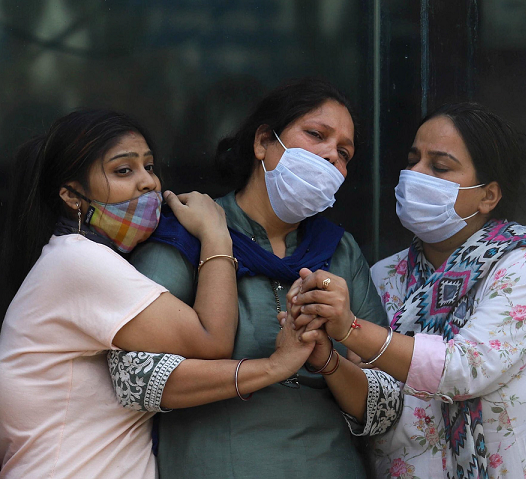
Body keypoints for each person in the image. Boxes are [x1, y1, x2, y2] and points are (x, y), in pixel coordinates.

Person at [0, 109, 315, 479]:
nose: (148, 182)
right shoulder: (78, 262)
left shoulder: (77, 260)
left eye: (149, 166)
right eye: (123, 170)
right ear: (72, 196)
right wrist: (216, 233)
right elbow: (211, 341)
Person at [290, 102, 526, 478]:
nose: (415, 174)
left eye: (439, 167)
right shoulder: (386, 276)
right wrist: (326, 356)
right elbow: (376, 401)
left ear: (488, 196)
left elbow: (463, 369)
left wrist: (352, 329)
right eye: (413, 160)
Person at [109, 78, 390, 478]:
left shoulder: (340, 251)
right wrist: (273, 366)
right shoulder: (187, 235)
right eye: (316, 135)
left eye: (344, 153)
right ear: (262, 141)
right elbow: (131, 379)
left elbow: (386, 407)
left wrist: (327, 357)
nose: (331, 157)